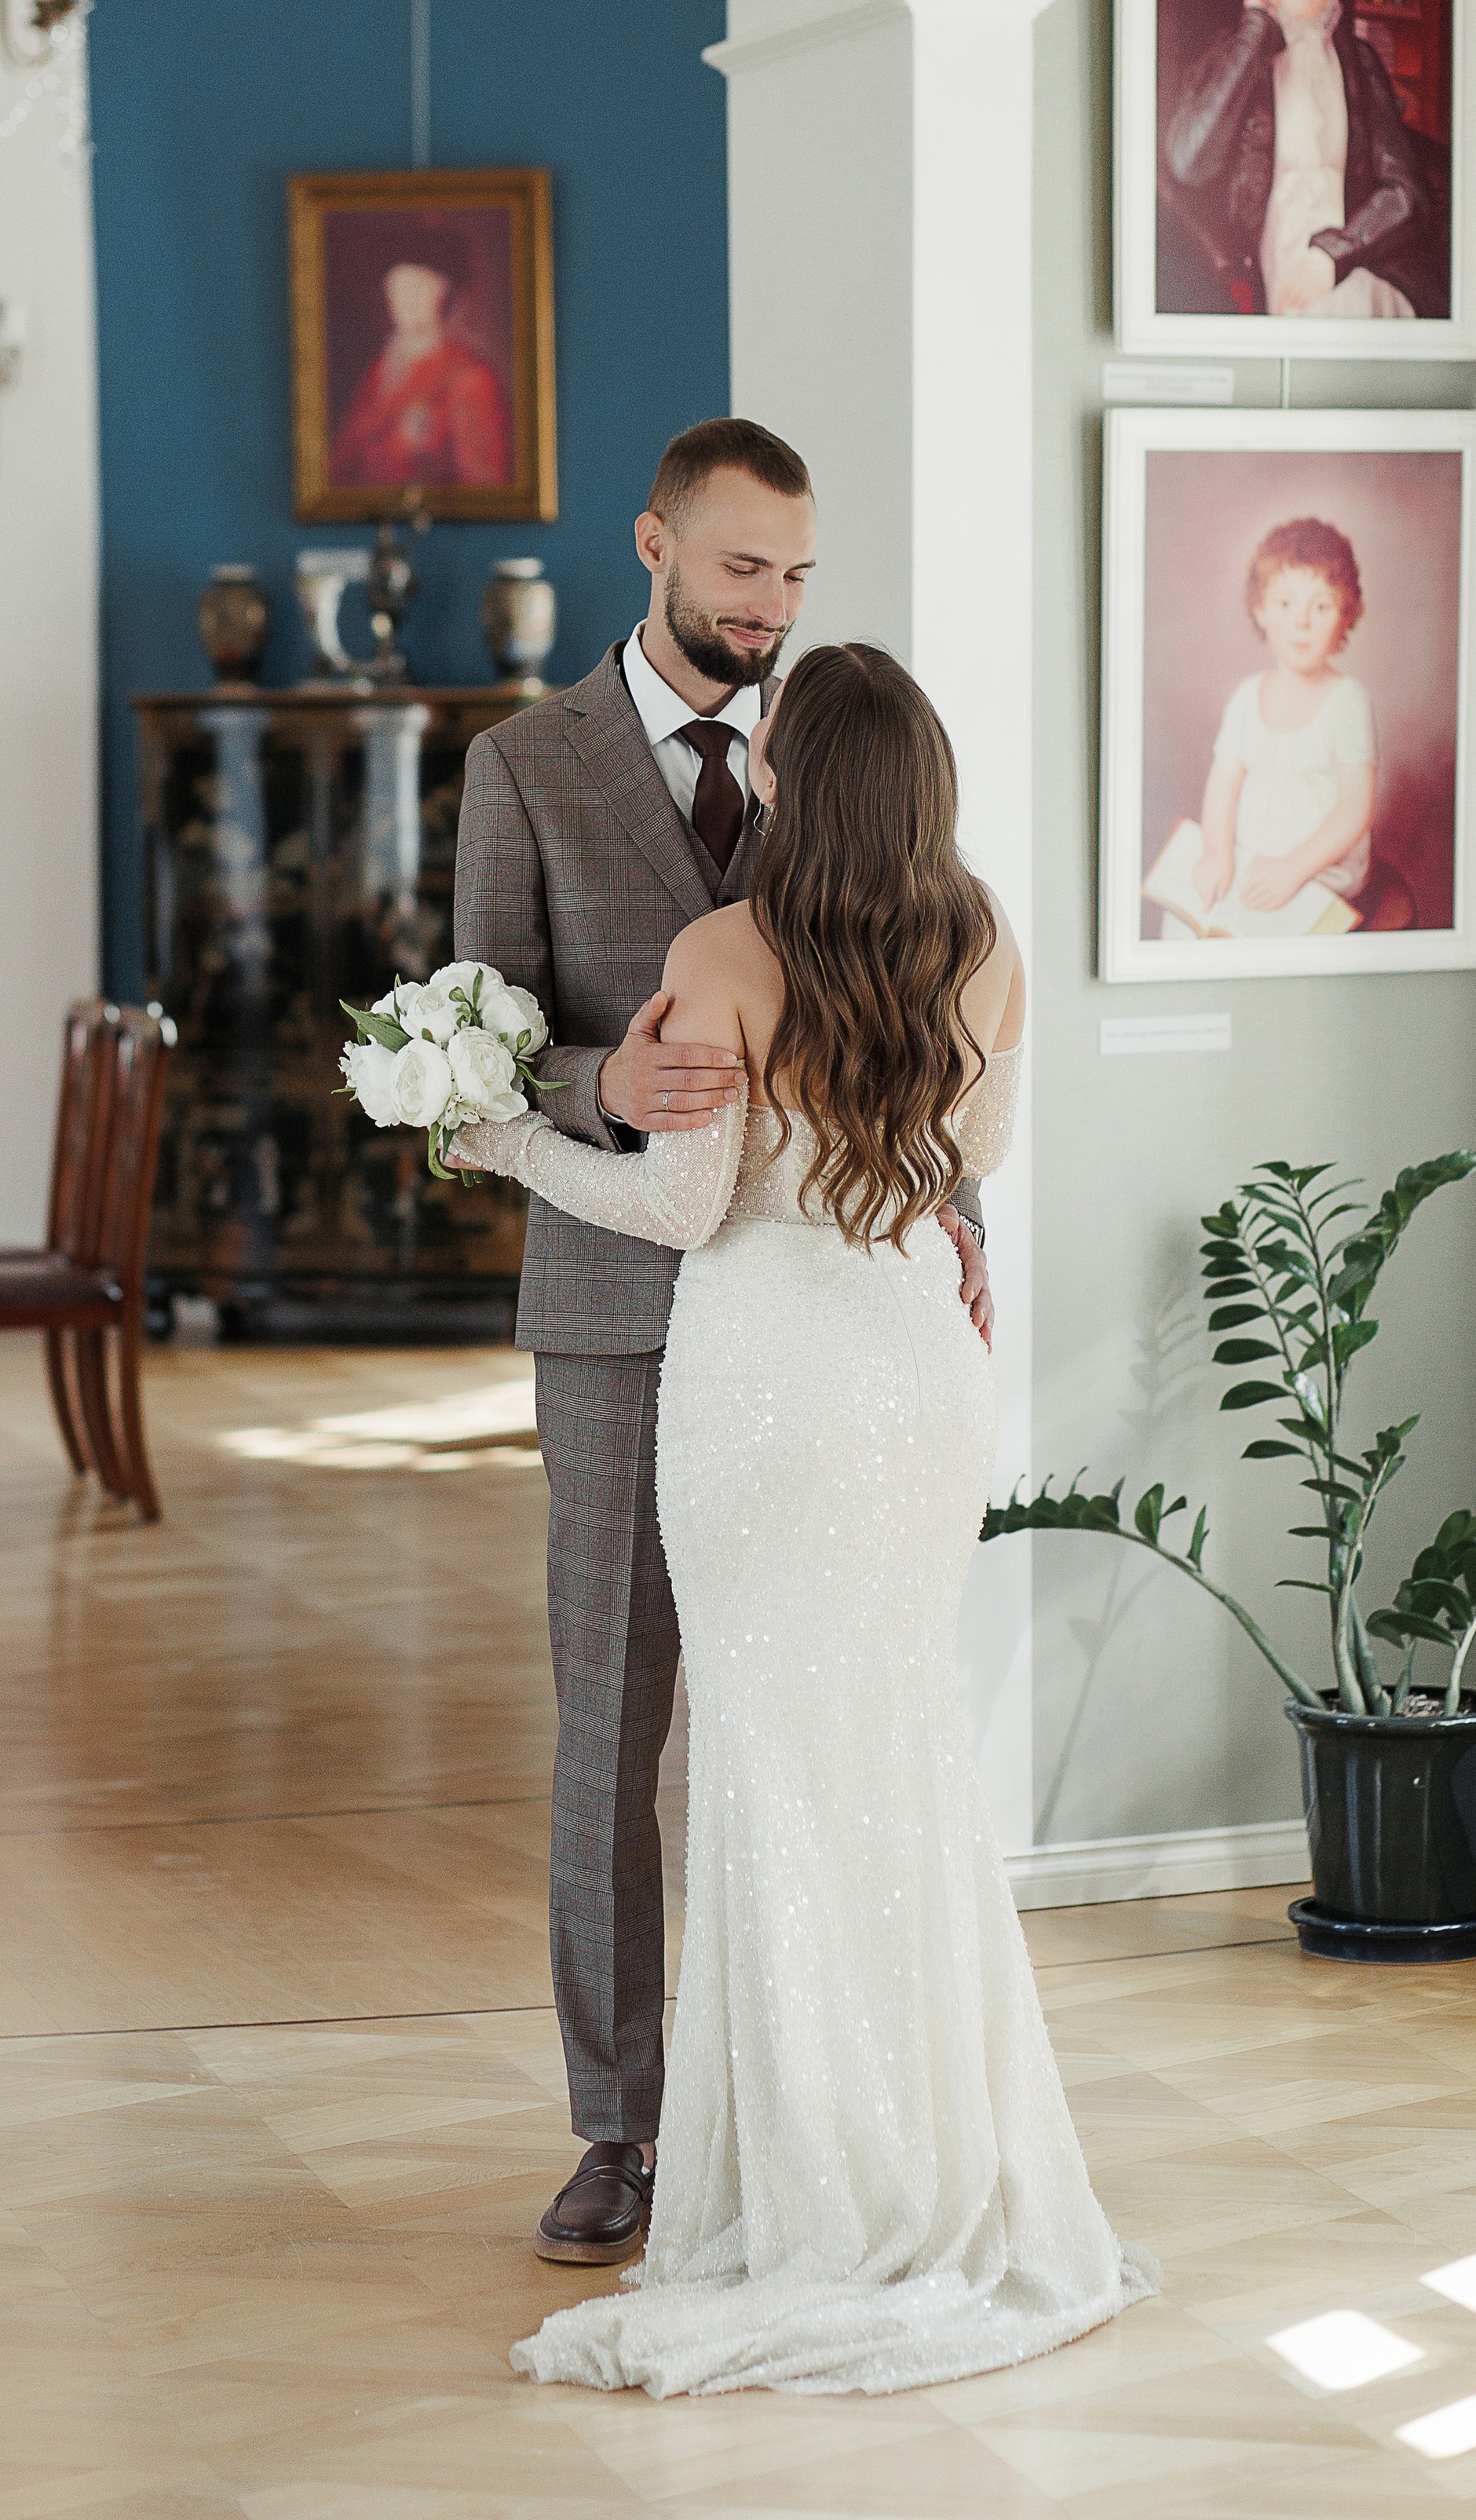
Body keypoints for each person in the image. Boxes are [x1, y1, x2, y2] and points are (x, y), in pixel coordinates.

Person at [449, 646, 1152, 2397]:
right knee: (899, 1753)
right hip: (917, 1363)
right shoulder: (983, 941)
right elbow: (965, 1160)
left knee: (769, 1767)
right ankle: (927, 2155)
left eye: (765, 740)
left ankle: (804, 2182)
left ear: (793, 776)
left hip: (764, 1377)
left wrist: (495, 1143)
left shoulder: (722, 955)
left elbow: (680, 1212)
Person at [451, 419, 992, 2278]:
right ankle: (621, 2126)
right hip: (616, 1323)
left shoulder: (835, 740)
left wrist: (956, 1229)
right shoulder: (519, 766)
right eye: (738, 566)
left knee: (823, 1715)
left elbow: (907, 1018)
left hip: (828, 1333)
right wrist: (587, 1079)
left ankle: (807, 2111)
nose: (766, 604)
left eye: (792, 575)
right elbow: (474, 1028)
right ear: (652, 543)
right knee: (613, 1729)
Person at [1165, 0, 1435, 321]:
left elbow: (1406, 193)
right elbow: (1189, 161)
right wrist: (1255, 33)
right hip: (1265, 266)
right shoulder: (1234, 56)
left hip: (1352, 257)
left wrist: (1333, 255)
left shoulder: (1361, 62)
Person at [1187, 515, 1376, 927]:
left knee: (1263, 931)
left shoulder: (1347, 701)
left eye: (1321, 605)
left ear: (1346, 615)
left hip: (1318, 872)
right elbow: (1224, 782)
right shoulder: (1246, 696)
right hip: (1250, 860)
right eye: (1285, 603)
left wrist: (1292, 869)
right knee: (1191, 915)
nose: (1301, 621)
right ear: (1260, 612)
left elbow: (1355, 809)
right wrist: (1217, 852)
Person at [329, 222, 512, 489]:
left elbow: (485, 491)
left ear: (442, 294)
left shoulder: (470, 380)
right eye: (399, 286)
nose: (407, 299)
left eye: (419, 287)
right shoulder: (378, 373)